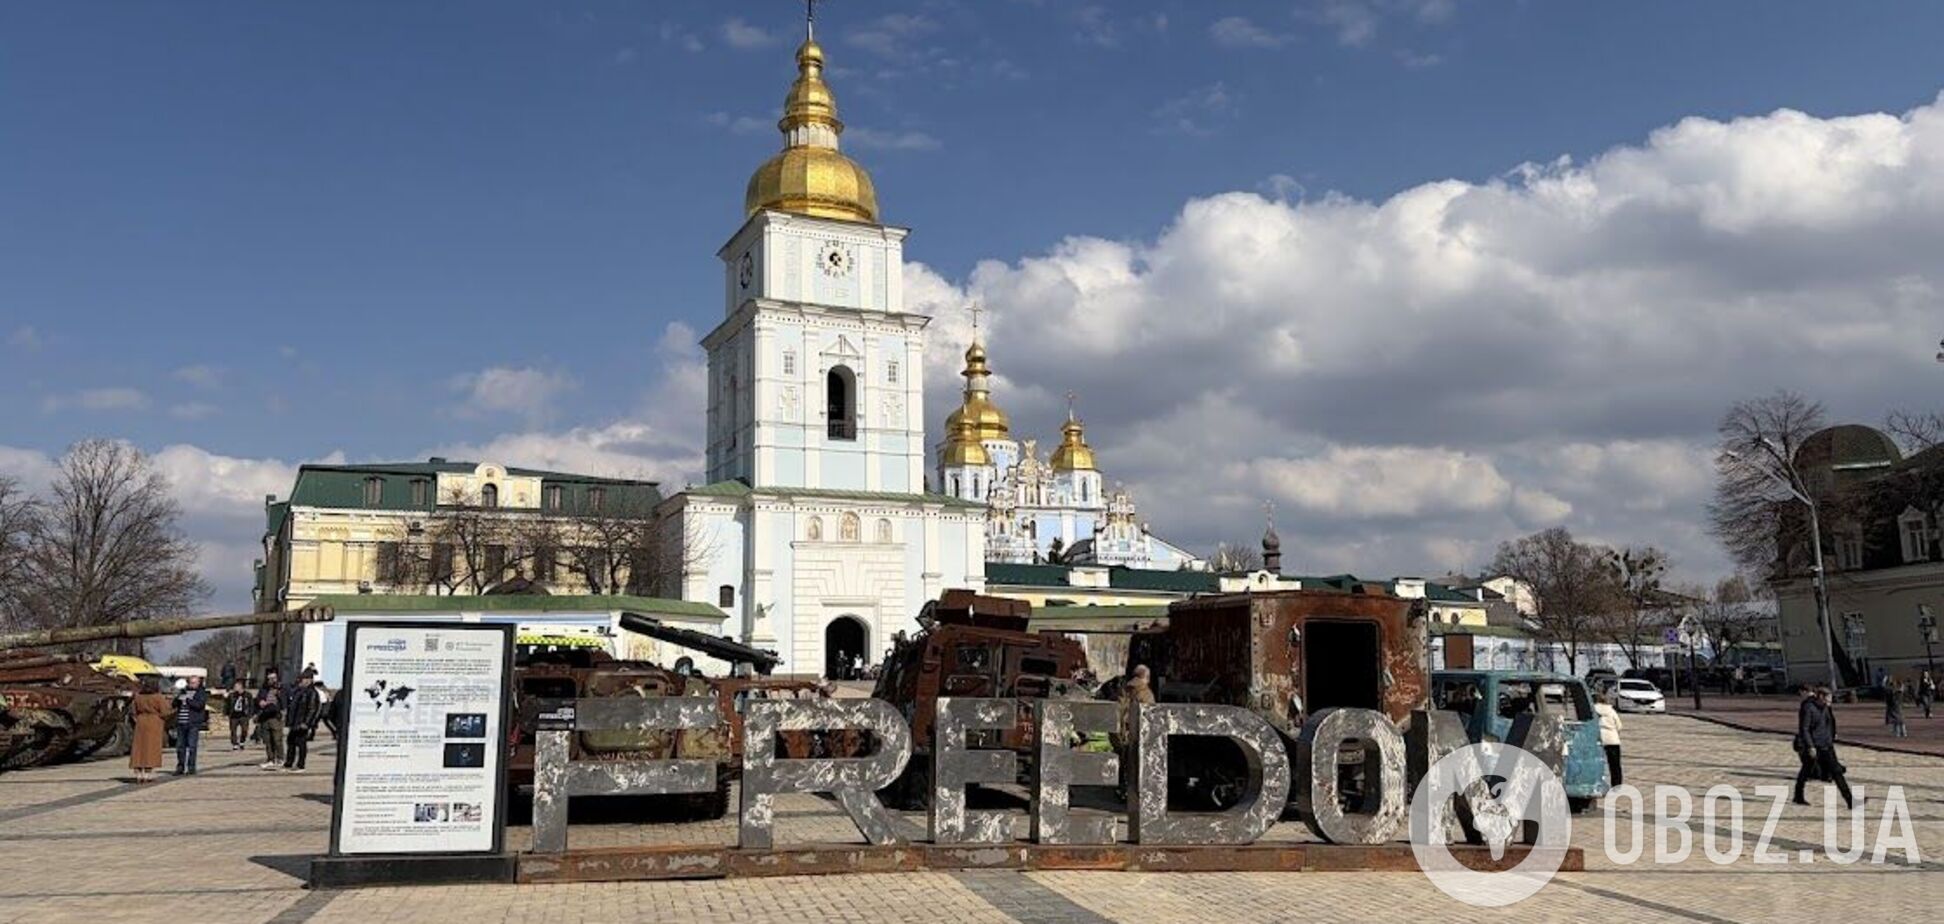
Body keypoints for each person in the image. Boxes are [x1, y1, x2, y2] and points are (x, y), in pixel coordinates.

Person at [1794, 685, 1854, 809]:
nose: (1829, 702)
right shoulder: (1808, 708)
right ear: (1821, 697)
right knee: (1806, 770)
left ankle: (1850, 801)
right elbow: (1804, 729)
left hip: (1826, 745)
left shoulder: (1825, 707)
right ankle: (1798, 795)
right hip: (1814, 745)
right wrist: (1810, 746)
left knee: (1836, 772)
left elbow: (1829, 721)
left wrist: (1832, 735)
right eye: (1828, 699)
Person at [128, 678, 170, 783]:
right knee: (151, 748)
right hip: (154, 722)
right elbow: (165, 711)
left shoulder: (138, 697)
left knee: (139, 747)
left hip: (141, 722)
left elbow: (133, 711)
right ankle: (147, 774)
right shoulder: (158, 697)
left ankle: (138, 773)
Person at [283, 674, 324, 772]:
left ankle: (301, 765)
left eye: (304, 679)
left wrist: (307, 722)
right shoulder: (299, 691)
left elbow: (312, 709)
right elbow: (293, 706)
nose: (302, 681)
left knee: (301, 743)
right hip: (295, 721)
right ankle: (289, 763)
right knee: (291, 741)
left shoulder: (312, 692)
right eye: (301, 679)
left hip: (302, 722)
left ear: (310, 680)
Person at [172, 675, 209, 775]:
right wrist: (178, 699)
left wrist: (187, 700)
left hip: (193, 723)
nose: (192, 685)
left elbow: (199, 705)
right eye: (190, 682)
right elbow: (174, 705)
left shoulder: (201, 692)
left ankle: (191, 767)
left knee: (192, 746)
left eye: (194, 683)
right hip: (181, 722)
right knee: (180, 747)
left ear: (198, 683)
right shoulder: (183, 691)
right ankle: (180, 767)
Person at [256, 669, 286, 770]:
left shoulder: (281, 689)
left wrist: (278, 694)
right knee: (267, 740)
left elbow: (284, 702)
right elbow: (258, 698)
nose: (272, 680)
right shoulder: (264, 689)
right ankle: (271, 759)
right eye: (269, 679)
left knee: (277, 739)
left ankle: (280, 758)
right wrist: (260, 702)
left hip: (275, 716)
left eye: (274, 678)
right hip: (265, 716)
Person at [1593, 690, 1624, 787]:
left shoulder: (1593, 710)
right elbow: (1619, 726)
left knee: (1597, 763)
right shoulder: (1611, 711)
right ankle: (1616, 785)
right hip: (1612, 739)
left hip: (1598, 738)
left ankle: (1597, 782)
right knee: (1615, 765)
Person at [224, 679, 252, 750]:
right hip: (234, 715)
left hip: (243, 715)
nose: (235, 688)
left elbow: (251, 705)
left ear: (241, 687)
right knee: (233, 730)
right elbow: (227, 705)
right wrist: (226, 713)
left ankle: (242, 741)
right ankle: (235, 743)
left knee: (244, 729)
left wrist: (250, 714)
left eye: (236, 687)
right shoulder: (232, 695)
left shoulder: (248, 695)